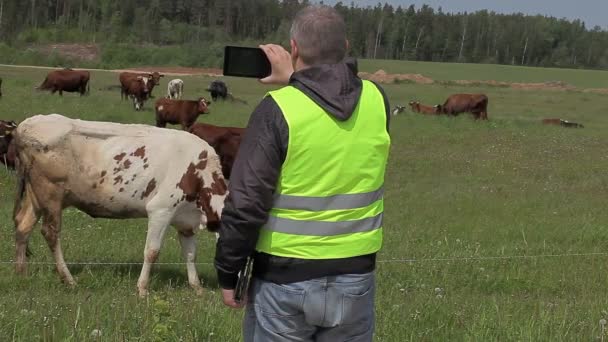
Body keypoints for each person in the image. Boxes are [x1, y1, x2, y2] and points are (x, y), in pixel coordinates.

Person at [214, 5, 391, 342]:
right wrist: (300, 81)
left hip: (284, 281)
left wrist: (228, 271)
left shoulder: (277, 109)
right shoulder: (377, 100)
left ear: (293, 49)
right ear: (347, 46)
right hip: (355, 277)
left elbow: (247, 203)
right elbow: (340, 91)